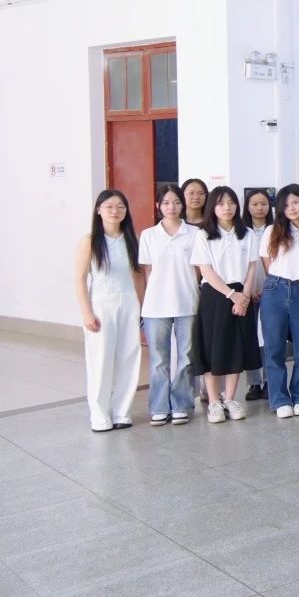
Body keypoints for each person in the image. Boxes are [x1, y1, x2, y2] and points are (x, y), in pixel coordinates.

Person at [74, 190, 144, 432]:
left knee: (128, 357)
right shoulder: (89, 241)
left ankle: (122, 412)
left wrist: (141, 307)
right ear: (99, 210)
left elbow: (138, 276)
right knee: (101, 360)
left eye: (120, 207)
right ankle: (99, 414)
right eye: (109, 206)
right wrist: (87, 313)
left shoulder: (131, 239)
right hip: (101, 305)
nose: (115, 211)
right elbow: (80, 280)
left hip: (129, 303)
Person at [190, 186, 259, 423]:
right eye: (221, 204)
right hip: (216, 295)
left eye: (231, 203)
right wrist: (232, 295)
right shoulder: (204, 234)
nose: (227, 208)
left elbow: (252, 267)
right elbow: (205, 270)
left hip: (241, 294)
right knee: (213, 349)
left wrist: (244, 297)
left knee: (235, 348)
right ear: (213, 207)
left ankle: (230, 399)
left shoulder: (247, 233)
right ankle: (214, 402)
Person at [259, 184, 299, 419]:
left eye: (296, 202)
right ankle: (279, 399)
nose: (292, 208)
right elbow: (267, 262)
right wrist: (282, 280)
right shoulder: (271, 231)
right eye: (286, 205)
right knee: (274, 348)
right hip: (275, 290)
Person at [139, 184, 200, 426]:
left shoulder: (194, 233)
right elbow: (147, 272)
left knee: (186, 357)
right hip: (156, 305)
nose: (171, 207)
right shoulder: (148, 235)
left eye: (176, 202)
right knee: (158, 359)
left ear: (182, 205)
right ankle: (159, 406)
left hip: (187, 302)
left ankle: (181, 404)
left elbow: (199, 269)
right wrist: (144, 302)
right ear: (158, 205)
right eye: (165, 203)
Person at [242, 189, 273, 401]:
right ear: (247, 207)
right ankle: (254, 383)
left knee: (271, 338)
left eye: (264, 204)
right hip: (247, 291)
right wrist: (249, 289)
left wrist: (269, 286)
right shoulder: (242, 232)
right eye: (255, 204)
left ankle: (270, 381)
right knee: (250, 338)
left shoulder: (277, 229)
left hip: (272, 290)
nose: (260, 208)